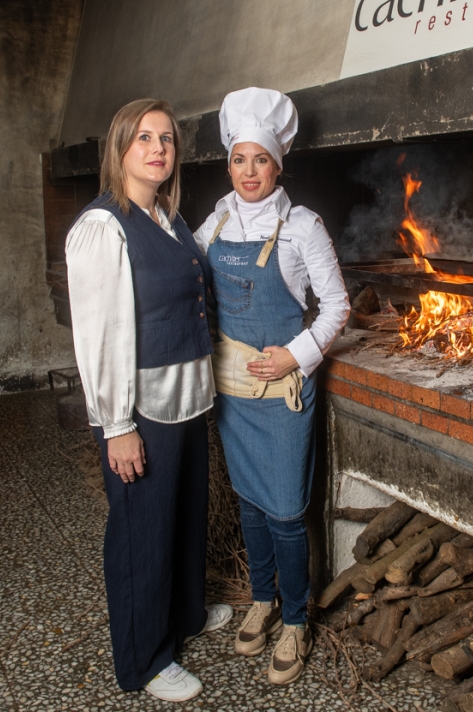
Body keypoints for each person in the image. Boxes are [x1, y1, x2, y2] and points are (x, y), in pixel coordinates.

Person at [66, 99, 233, 703]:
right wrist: (116, 425)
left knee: (184, 516)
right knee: (142, 531)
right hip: (141, 409)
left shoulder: (168, 215)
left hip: (186, 399)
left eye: (166, 139)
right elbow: (101, 335)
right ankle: (146, 658)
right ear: (121, 149)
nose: (158, 148)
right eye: (144, 138)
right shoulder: (102, 227)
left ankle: (185, 615)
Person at [194, 88, 350, 685]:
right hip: (234, 391)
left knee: (286, 512)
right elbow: (189, 270)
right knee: (249, 504)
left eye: (260, 160)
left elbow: (336, 306)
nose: (249, 171)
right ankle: (262, 599)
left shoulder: (303, 227)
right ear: (228, 162)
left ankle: (295, 619)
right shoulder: (218, 219)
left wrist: (296, 354)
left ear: (278, 165)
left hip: (283, 396)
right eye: (239, 159)